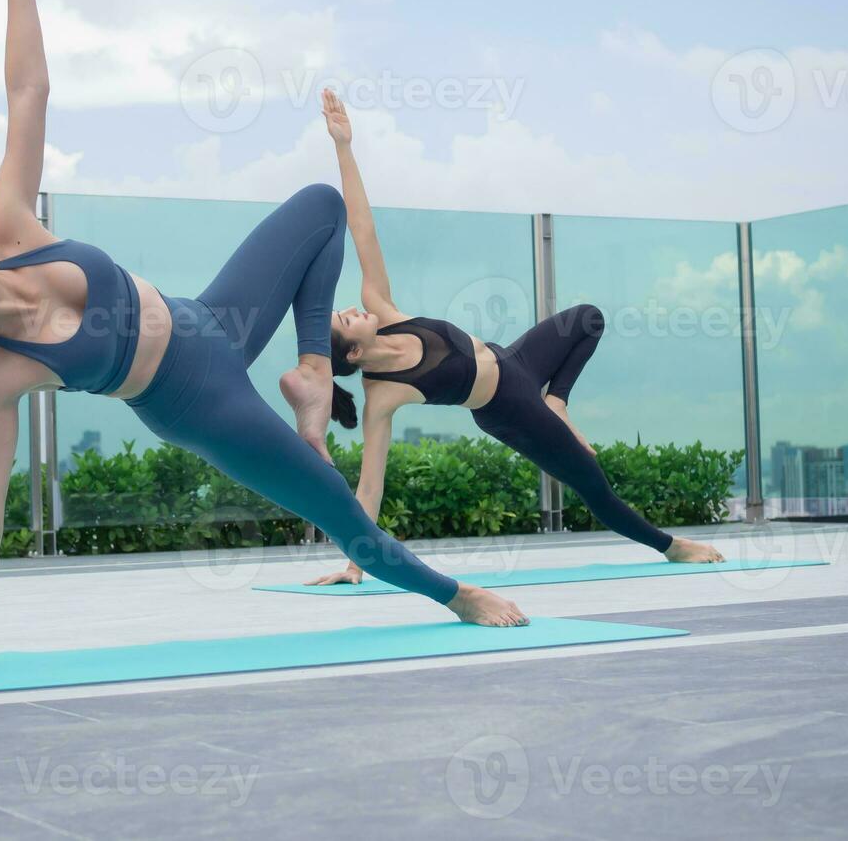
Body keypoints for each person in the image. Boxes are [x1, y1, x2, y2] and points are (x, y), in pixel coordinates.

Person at [0, 0, 530, 674]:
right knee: (335, 509)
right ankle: (457, 595)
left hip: (215, 319)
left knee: (321, 203)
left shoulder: (12, 224)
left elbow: (28, 89)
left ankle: (314, 373)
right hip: (196, 402)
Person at [306, 89, 725, 588]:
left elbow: (362, 226)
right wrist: (356, 565)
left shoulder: (383, 306)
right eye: (345, 319)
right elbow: (369, 486)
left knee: (587, 317)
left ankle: (561, 402)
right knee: (593, 485)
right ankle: (673, 547)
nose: (353, 308)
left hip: (518, 361)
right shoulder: (382, 395)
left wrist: (344, 146)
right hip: (509, 410)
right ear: (353, 352)